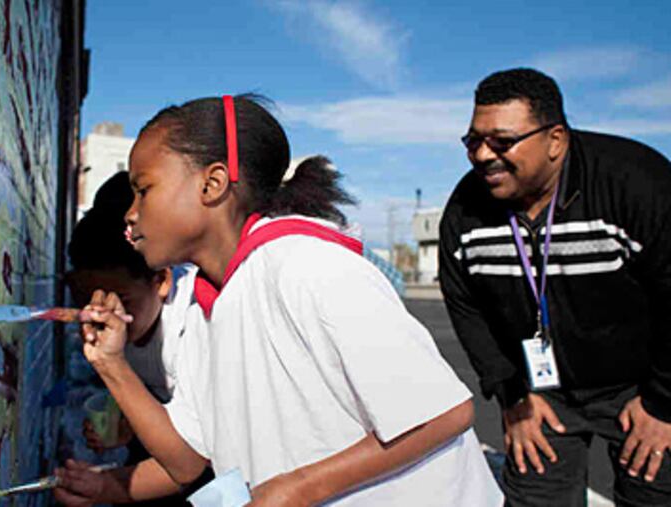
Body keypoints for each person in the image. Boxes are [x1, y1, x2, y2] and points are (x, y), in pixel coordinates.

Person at [73, 94, 503, 506]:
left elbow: (444, 413)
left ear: (213, 183)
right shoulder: (205, 305)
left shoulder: (306, 265)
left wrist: (298, 490)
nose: (131, 213)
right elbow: (186, 461)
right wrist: (111, 363)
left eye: (143, 190)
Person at [439, 68, 671, 506]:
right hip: (539, 394)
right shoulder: (466, 210)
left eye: (502, 141)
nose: (483, 155)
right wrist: (511, 396)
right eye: (473, 141)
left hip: (644, 388)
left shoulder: (636, 182)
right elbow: (465, 305)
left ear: (556, 140)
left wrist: (663, 405)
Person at [57, 172, 210, 505]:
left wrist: (104, 488)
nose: (102, 314)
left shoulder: (196, 325)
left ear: (162, 281)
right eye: (87, 299)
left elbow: (193, 463)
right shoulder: (136, 316)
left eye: (121, 301)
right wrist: (129, 426)